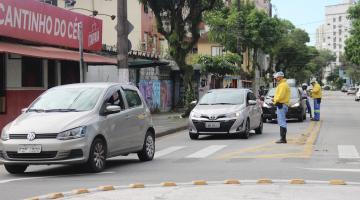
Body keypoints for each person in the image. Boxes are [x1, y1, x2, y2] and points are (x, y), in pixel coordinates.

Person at [272, 72, 291, 144]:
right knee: (281, 121)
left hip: (281, 104)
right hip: (282, 104)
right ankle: (282, 138)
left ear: (280, 77)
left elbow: (280, 96)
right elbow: (280, 95)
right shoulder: (283, 84)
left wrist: (275, 100)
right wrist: (274, 99)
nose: (276, 79)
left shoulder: (282, 85)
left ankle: (283, 139)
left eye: (277, 77)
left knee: (282, 122)